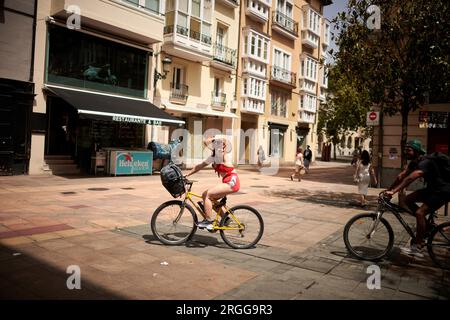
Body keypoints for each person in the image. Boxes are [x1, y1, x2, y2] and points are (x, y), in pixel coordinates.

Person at [385, 139, 450, 257]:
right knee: (406, 199)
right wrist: (388, 190)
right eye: (405, 149)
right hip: (432, 189)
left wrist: (394, 191)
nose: (406, 152)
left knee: (420, 213)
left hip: (443, 191)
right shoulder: (414, 162)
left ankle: (418, 246)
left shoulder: (426, 162)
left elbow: (411, 178)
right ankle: (428, 227)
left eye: (409, 150)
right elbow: (402, 176)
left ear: (417, 151)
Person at [185, 135, 240, 230]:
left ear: (224, 146)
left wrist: (216, 139)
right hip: (227, 182)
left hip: (231, 182)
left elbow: (206, 143)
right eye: (217, 143)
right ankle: (225, 219)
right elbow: (199, 166)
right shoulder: (214, 157)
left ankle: (208, 220)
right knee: (206, 197)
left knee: (207, 195)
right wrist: (187, 175)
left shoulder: (223, 155)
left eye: (222, 144)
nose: (219, 145)